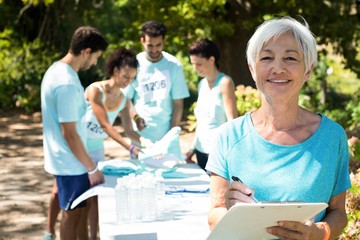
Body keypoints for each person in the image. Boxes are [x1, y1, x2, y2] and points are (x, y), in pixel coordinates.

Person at [206, 16, 351, 240]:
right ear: (252, 69)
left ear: (308, 70)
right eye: (266, 58)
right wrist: (230, 213)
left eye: (290, 58)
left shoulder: (333, 137)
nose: (278, 68)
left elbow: (338, 212)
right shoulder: (228, 136)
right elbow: (214, 214)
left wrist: (319, 233)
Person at [41, 26, 108, 240]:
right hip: (70, 162)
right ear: (87, 52)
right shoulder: (67, 83)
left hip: (70, 160)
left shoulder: (58, 70)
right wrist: (91, 168)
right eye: (96, 57)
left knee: (80, 212)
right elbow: (69, 133)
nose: (95, 63)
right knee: (72, 214)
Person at [84, 47, 142, 240]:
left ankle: (94, 236)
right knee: (63, 194)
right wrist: (129, 147)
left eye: (132, 78)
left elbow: (129, 129)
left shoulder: (124, 99)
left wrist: (144, 143)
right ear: (115, 70)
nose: (128, 82)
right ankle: (50, 232)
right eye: (126, 76)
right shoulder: (95, 90)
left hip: (96, 148)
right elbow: (106, 125)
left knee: (95, 196)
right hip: (78, 146)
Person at [123, 20, 190, 143]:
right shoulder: (133, 64)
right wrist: (136, 118)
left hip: (165, 133)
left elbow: (178, 103)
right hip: (140, 135)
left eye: (158, 45)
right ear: (142, 41)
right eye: (150, 45)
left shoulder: (174, 65)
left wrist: (171, 135)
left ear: (163, 41)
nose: (154, 50)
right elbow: (125, 99)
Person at [185, 39, 238, 170]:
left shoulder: (225, 83)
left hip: (217, 154)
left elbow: (232, 122)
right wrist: (192, 148)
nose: (195, 68)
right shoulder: (201, 84)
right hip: (200, 151)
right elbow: (202, 122)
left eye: (199, 64)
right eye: (193, 64)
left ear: (211, 60)